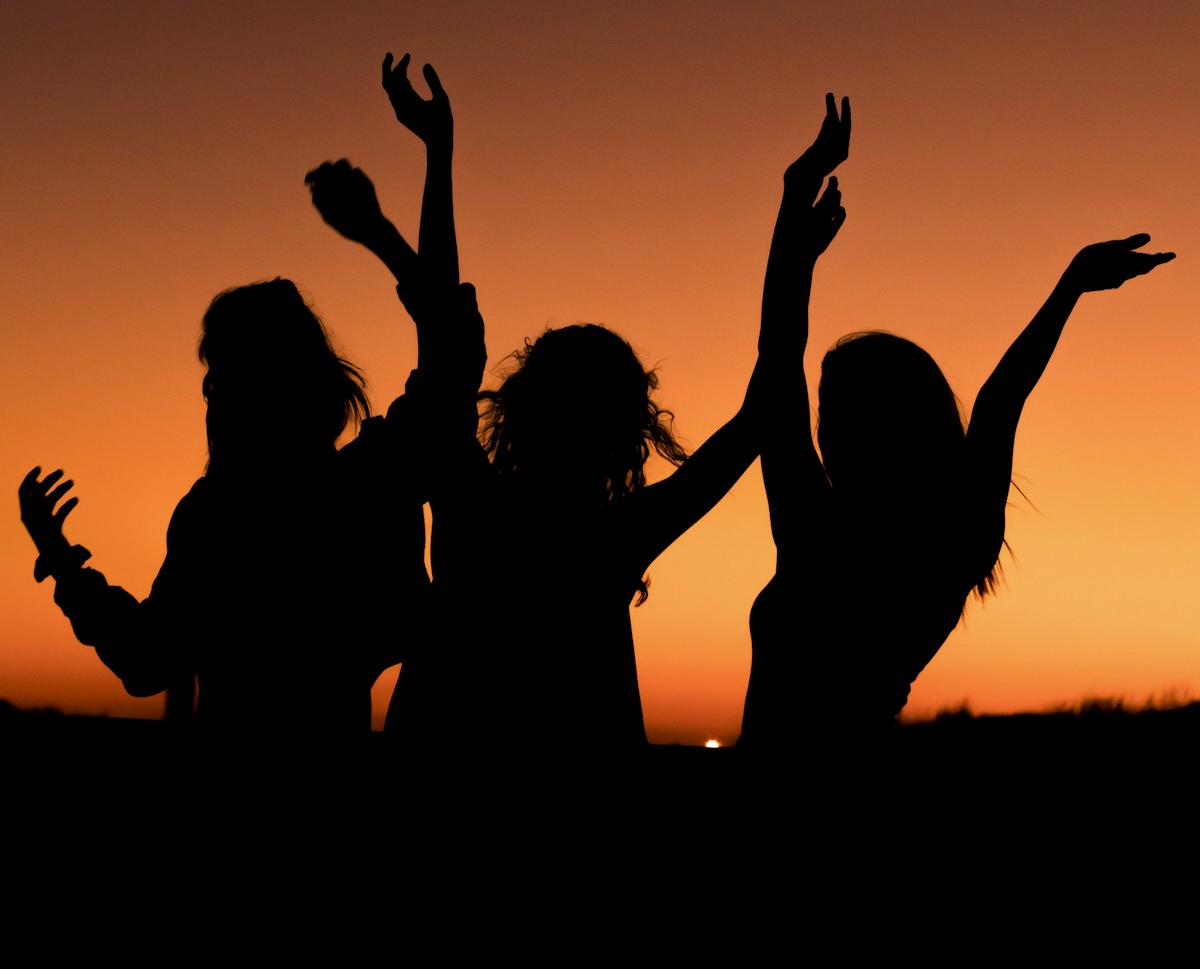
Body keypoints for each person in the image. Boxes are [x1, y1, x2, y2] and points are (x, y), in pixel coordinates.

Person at [311, 51, 807, 748]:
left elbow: (445, 339)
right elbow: (766, 406)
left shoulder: (470, 498)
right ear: (627, 432)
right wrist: (794, 243)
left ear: (520, 405)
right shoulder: (614, 536)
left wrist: (434, 161)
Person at [738, 94, 1176, 746]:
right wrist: (1069, 288)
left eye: (837, 408)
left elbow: (778, 356)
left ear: (883, 422)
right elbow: (1000, 401)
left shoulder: (818, 531)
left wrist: (794, 209)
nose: (822, 427)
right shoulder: (953, 539)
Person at [19, 278, 428, 730]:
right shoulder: (368, 484)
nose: (211, 390)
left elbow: (145, 659)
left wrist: (61, 561)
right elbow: (402, 626)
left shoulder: (218, 512)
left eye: (219, 372)